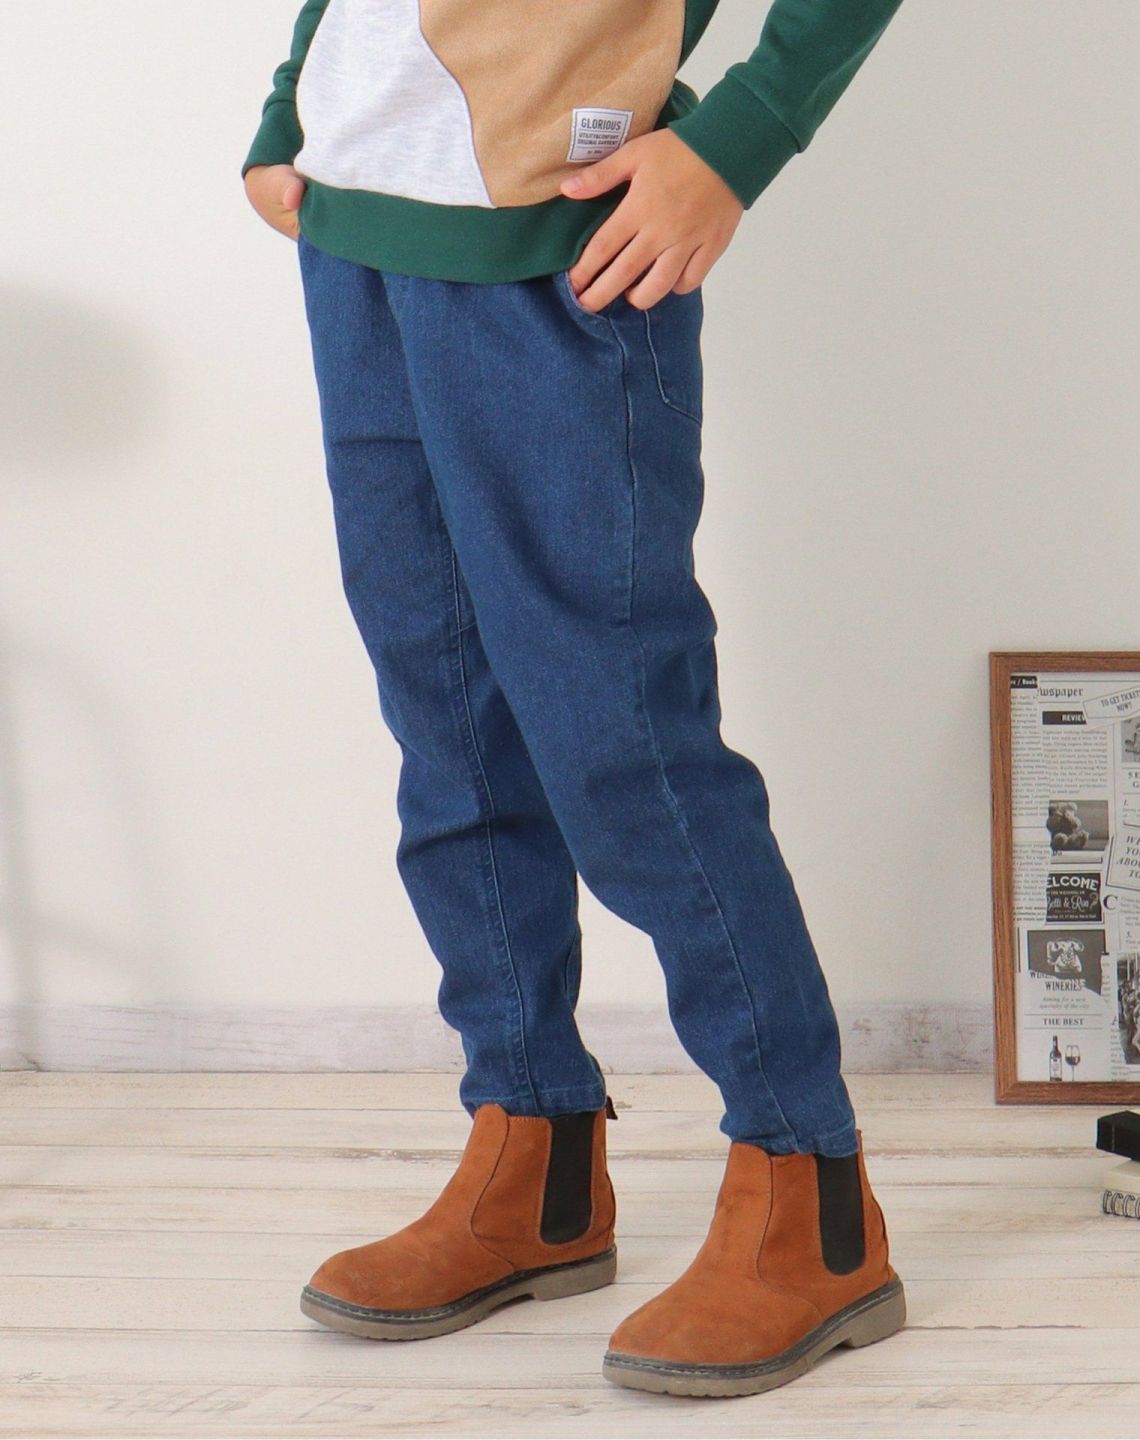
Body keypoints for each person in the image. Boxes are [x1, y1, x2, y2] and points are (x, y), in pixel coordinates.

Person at [243, 0, 906, 1398]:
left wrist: (740, 137)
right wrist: (293, 97)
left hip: (559, 246)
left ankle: (809, 1197)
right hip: (355, 227)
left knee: (622, 743)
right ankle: (532, 1158)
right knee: (449, 725)